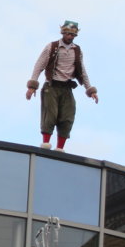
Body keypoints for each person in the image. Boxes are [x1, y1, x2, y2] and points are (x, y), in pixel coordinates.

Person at [25, 20, 98, 151]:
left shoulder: (77, 50)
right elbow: (39, 65)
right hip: (52, 86)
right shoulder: (52, 47)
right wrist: (32, 86)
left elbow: (82, 71)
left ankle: (60, 148)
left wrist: (90, 89)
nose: (70, 36)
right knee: (50, 115)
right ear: (63, 33)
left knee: (67, 117)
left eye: (72, 35)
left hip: (67, 88)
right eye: (68, 34)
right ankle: (46, 143)